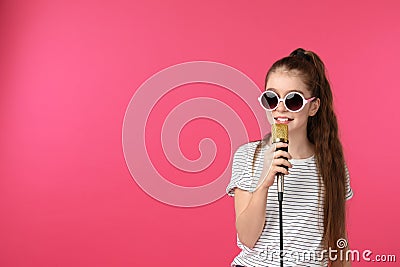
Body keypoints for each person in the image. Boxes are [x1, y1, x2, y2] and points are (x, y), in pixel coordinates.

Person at [226, 48, 353, 267]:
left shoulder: (331, 163)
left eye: (293, 100)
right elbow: (247, 237)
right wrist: (264, 183)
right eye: (272, 98)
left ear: (313, 106)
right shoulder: (248, 157)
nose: (280, 109)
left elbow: (338, 239)